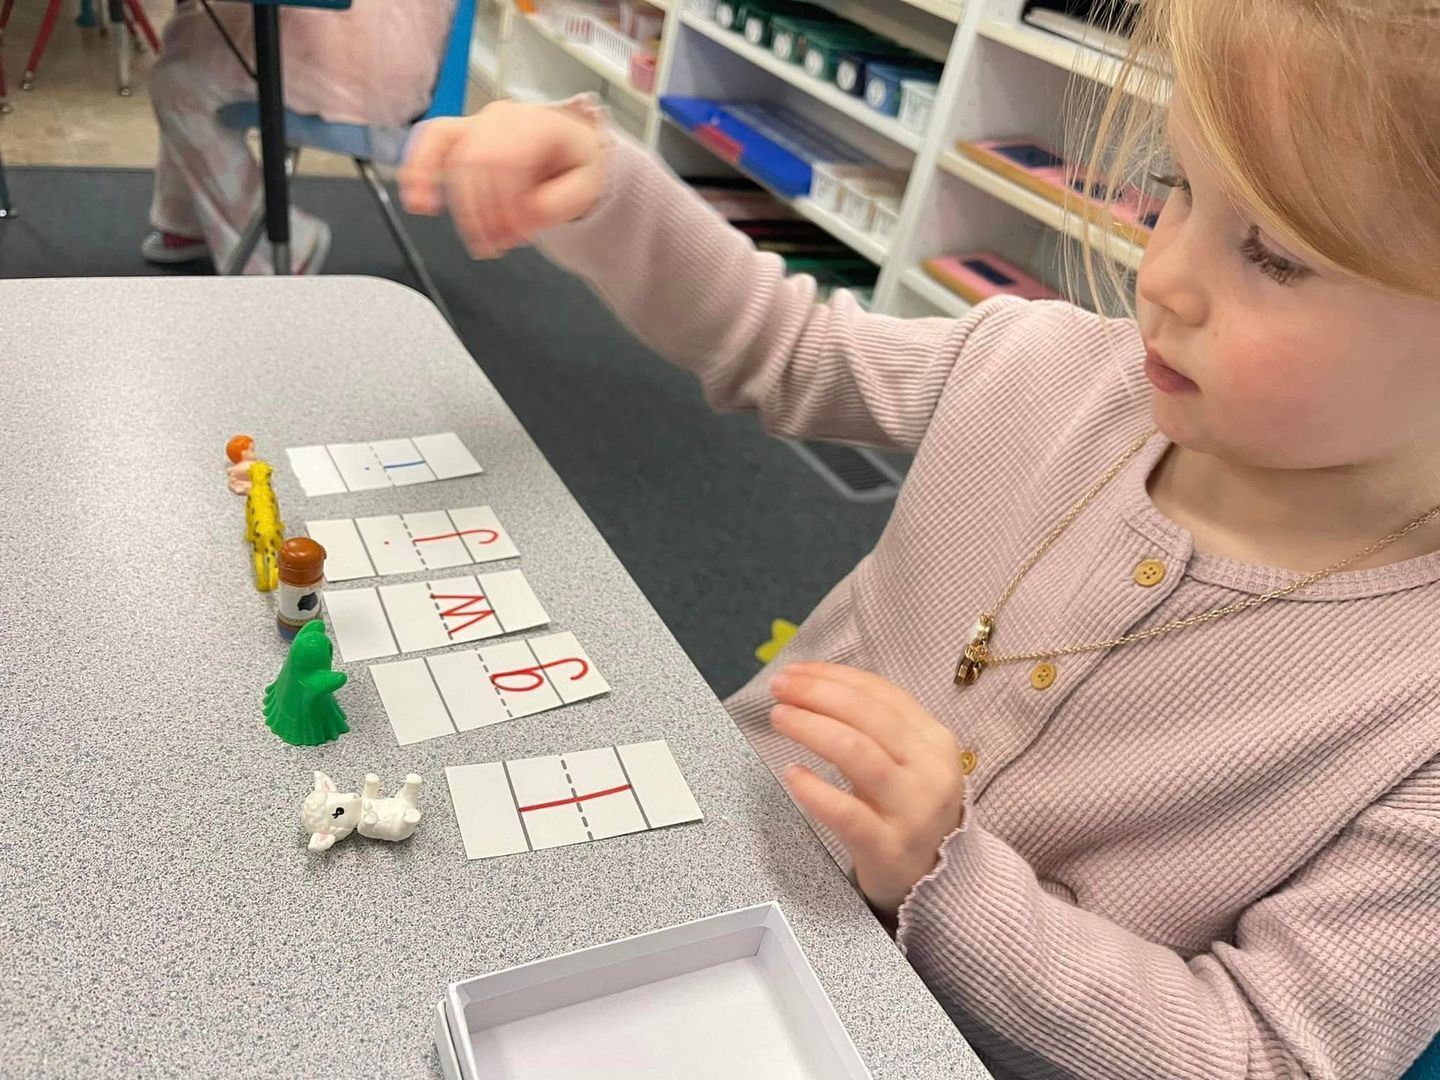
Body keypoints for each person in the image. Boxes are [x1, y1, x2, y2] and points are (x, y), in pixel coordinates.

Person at [398, 1, 1440, 1075]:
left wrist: (951, 879)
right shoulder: (1041, 364)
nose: (1163, 277)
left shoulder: (1417, 718)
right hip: (695, 866)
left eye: (1272, 255)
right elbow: (794, 349)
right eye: (1176, 191)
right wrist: (608, 191)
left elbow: (1272, 1052)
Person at [142, 0, 454, 274]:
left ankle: (278, 249)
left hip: (365, 59)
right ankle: (191, 222)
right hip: (373, 38)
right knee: (190, 42)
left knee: (181, 83)